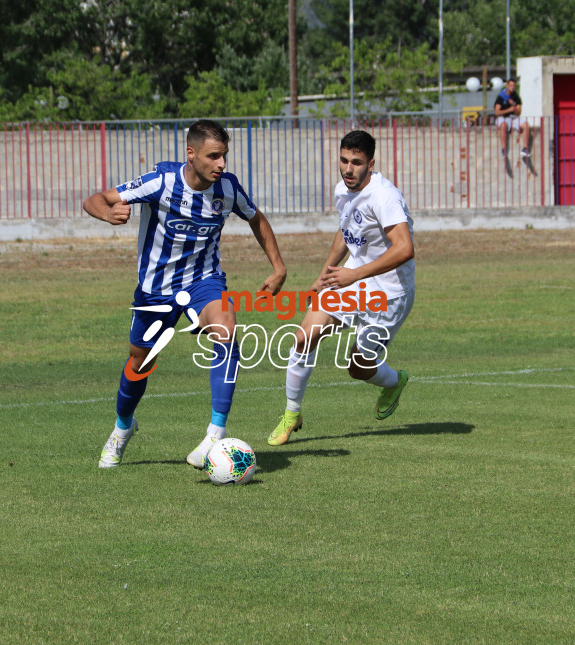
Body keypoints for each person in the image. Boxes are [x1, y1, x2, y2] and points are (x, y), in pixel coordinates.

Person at [83, 119, 287, 468]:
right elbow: (95, 199)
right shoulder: (161, 182)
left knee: (225, 326)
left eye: (224, 155)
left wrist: (278, 267)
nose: (221, 164)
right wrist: (107, 212)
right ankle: (122, 429)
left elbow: (256, 218)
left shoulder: (228, 188)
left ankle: (215, 434)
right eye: (213, 156)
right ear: (191, 154)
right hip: (155, 290)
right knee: (139, 362)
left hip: (203, 282)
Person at [267, 130, 414, 446]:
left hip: (389, 293)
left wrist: (354, 274)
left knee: (358, 367)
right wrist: (324, 276)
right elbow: (346, 232)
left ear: (371, 164)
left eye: (356, 163)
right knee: (305, 336)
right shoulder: (342, 190)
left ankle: (394, 381)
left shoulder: (384, 197)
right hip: (352, 280)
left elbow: (404, 248)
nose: (348, 169)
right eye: (344, 160)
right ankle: (292, 413)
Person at [494, 78, 531, 158]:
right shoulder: (501, 97)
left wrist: (513, 106)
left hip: (513, 118)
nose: (512, 87)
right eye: (511, 85)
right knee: (503, 125)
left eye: (514, 85)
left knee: (526, 125)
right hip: (503, 117)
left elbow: (518, 112)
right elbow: (497, 112)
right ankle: (503, 149)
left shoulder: (516, 97)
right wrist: (509, 110)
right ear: (507, 86)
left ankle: (525, 149)